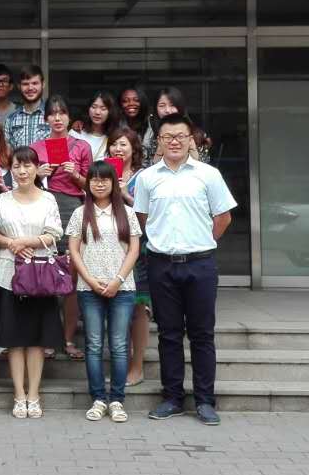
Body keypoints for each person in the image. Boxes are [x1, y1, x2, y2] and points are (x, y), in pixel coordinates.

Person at [133, 113, 237, 426]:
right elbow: (143, 218)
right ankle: (172, 398)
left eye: (180, 136)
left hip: (200, 264)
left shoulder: (208, 175)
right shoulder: (148, 178)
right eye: (168, 137)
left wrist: (202, 241)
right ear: (159, 142)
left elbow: (224, 217)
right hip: (161, 264)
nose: (174, 141)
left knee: (202, 334)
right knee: (168, 334)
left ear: (190, 139)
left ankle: (205, 401)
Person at [67, 159, 142, 423]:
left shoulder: (127, 213)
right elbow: (74, 250)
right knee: (94, 344)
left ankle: (117, 400)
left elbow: (134, 249)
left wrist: (118, 280)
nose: (100, 184)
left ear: (113, 183)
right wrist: (89, 279)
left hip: (123, 288)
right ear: (88, 183)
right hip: (89, 288)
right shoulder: (80, 213)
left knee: (120, 345)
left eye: (105, 179)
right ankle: (98, 399)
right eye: (95, 179)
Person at [0, 147, 63, 419]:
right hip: (8, 273)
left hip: (41, 275)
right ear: (10, 170)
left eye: (27, 166)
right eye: (16, 166)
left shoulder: (48, 199)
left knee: (36, 339)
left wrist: (27, 242)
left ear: (36, 168)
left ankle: (33, 394)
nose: (22, 171)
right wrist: (13, 243)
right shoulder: (3, 200)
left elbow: (55, 232)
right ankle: (19, 395)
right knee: (14, 339)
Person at [30, 94, 93, 362]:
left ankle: (67, 338)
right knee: (42, 273)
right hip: (42, 207)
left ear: (69, 117)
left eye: (62, 113)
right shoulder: (36, 147)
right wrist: (37, 174)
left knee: (70, 276)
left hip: (72, 208)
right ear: (45, 118)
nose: (57, 118)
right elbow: (23, 182)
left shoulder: (82, 146)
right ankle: (46, 339)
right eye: (52, 113)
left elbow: (92, 185)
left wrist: (75, 174)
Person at [108, 127, 152, 386]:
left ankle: (137, 367)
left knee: (138, 307)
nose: (118, 149)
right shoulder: (103, 172)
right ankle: (120, 366)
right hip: (109, 247)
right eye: (114, 144)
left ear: (133, 149)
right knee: (115, 307)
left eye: (123, 144)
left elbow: (151, 212)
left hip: (139, 247)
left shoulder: (144, 176)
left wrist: (124, 193)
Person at [145, 86, 211, 163]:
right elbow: (146, 166)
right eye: (162, 106)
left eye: (172, 105)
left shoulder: (196, 135)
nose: (167, 110)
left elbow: (203, 166)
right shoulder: (149, 135)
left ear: (180, 108)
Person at [6, 64, 49, 148]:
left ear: (43, 84)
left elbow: (60, 150)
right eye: (25, 84)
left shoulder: (53, 116)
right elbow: (8, 152)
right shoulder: (11, 119)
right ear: (19, 86)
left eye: (35, 83)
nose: (30, 88)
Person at [75, 90, 120, 161]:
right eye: (94, 107)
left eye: (103, 109)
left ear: (110, 112)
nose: (97, 112)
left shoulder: (116, 138)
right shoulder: (76, 134)